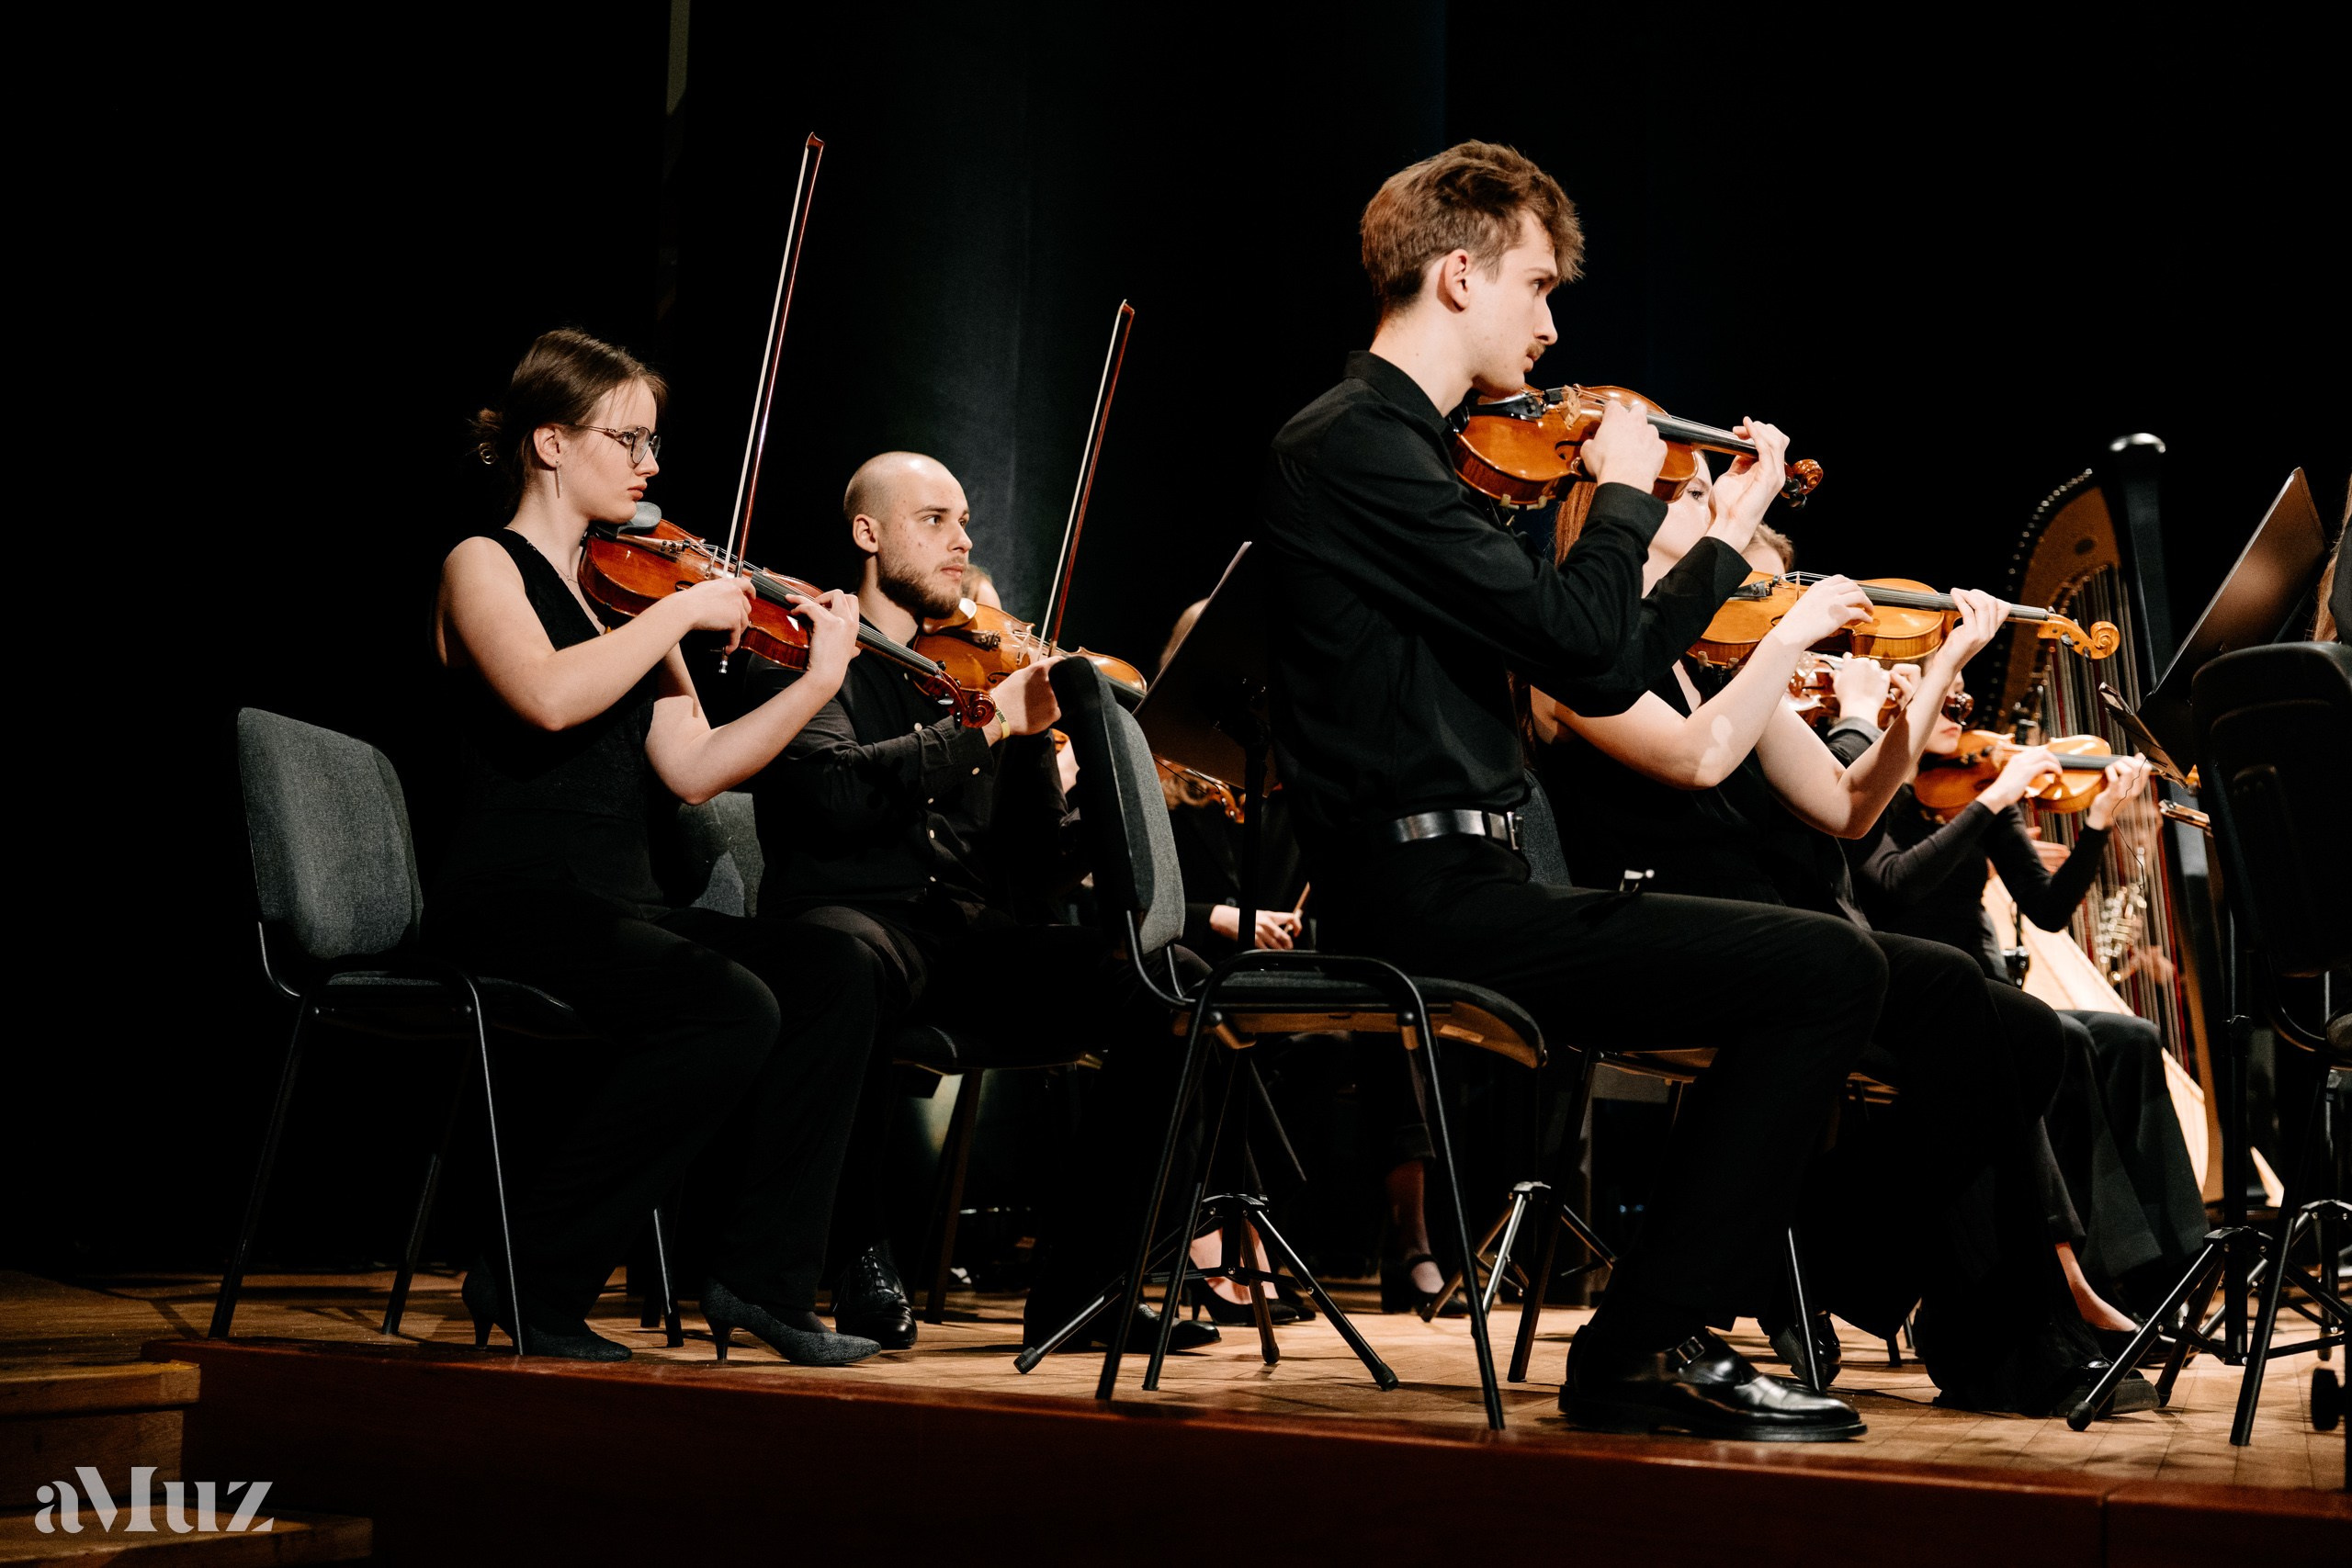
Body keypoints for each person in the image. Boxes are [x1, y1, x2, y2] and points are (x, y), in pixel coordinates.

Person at [1263, 140, 1891, 1441]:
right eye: (1537, 289)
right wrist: (1628, 496)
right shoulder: (1346, 449)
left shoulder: (1437, 460)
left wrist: (1716, 533)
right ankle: (1644, 1346)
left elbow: (1599, 648)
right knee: (1830, 971)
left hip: (1483, 881)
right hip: (1413, 899)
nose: (1551, 329)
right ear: (1457, 275)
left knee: (1833, 965)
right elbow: (1585, 640)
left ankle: (1659, 1334)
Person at [1532, 456, 2153, 1416]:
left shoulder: (1714, 664)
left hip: (1785, 944)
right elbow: (1698, 765)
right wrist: (1786, 639)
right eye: (1695, 494)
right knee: (1951, 991)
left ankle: (1867, 1261)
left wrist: (1938, 669)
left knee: (2028, 1036)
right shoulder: (1587, 644)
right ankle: (1992, 1334)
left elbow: (1846, 807)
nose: (1722, 507)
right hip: (1668, 932)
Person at [430, 327, 881, 1365]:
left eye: (652, 443)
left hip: (613, 901)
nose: (651, 466)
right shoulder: (481, 563)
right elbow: (545, 697)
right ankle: (530, 1270)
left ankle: (759, 1281)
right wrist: (678, 613)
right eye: (629, 440)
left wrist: (816, 681)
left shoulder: (625, 592)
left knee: (832, 971)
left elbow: (690, 769)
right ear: (550, 443)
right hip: (512, 894)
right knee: (726, 1005)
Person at [742, 450, 1218, 1356]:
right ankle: (858, 1253)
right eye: (934, 521)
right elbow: (839, 796)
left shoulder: (968, 674)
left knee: (1174, 986)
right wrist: (987, 724)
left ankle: (1086, 1287)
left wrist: (1070, 767)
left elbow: (1034, 872)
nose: (962, 539)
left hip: (959, 948)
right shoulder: (812, 652)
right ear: (868, 534)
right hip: (855, 925)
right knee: (847, 964)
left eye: (965, 522)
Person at [1848, 676, 2207, 1331]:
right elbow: (1896, 886)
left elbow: (2046, 910)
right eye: (1945, 698)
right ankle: (2092, 1275)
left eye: (1964, 698)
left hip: (1988, 990)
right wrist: (1998, 799)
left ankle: (2172, 1271)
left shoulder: (1981, 791)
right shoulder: (1871, 792)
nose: (1961, 710)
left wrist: (2096, 824)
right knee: (2064, 1039)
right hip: (1922, 1001)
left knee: (2132, 1036)